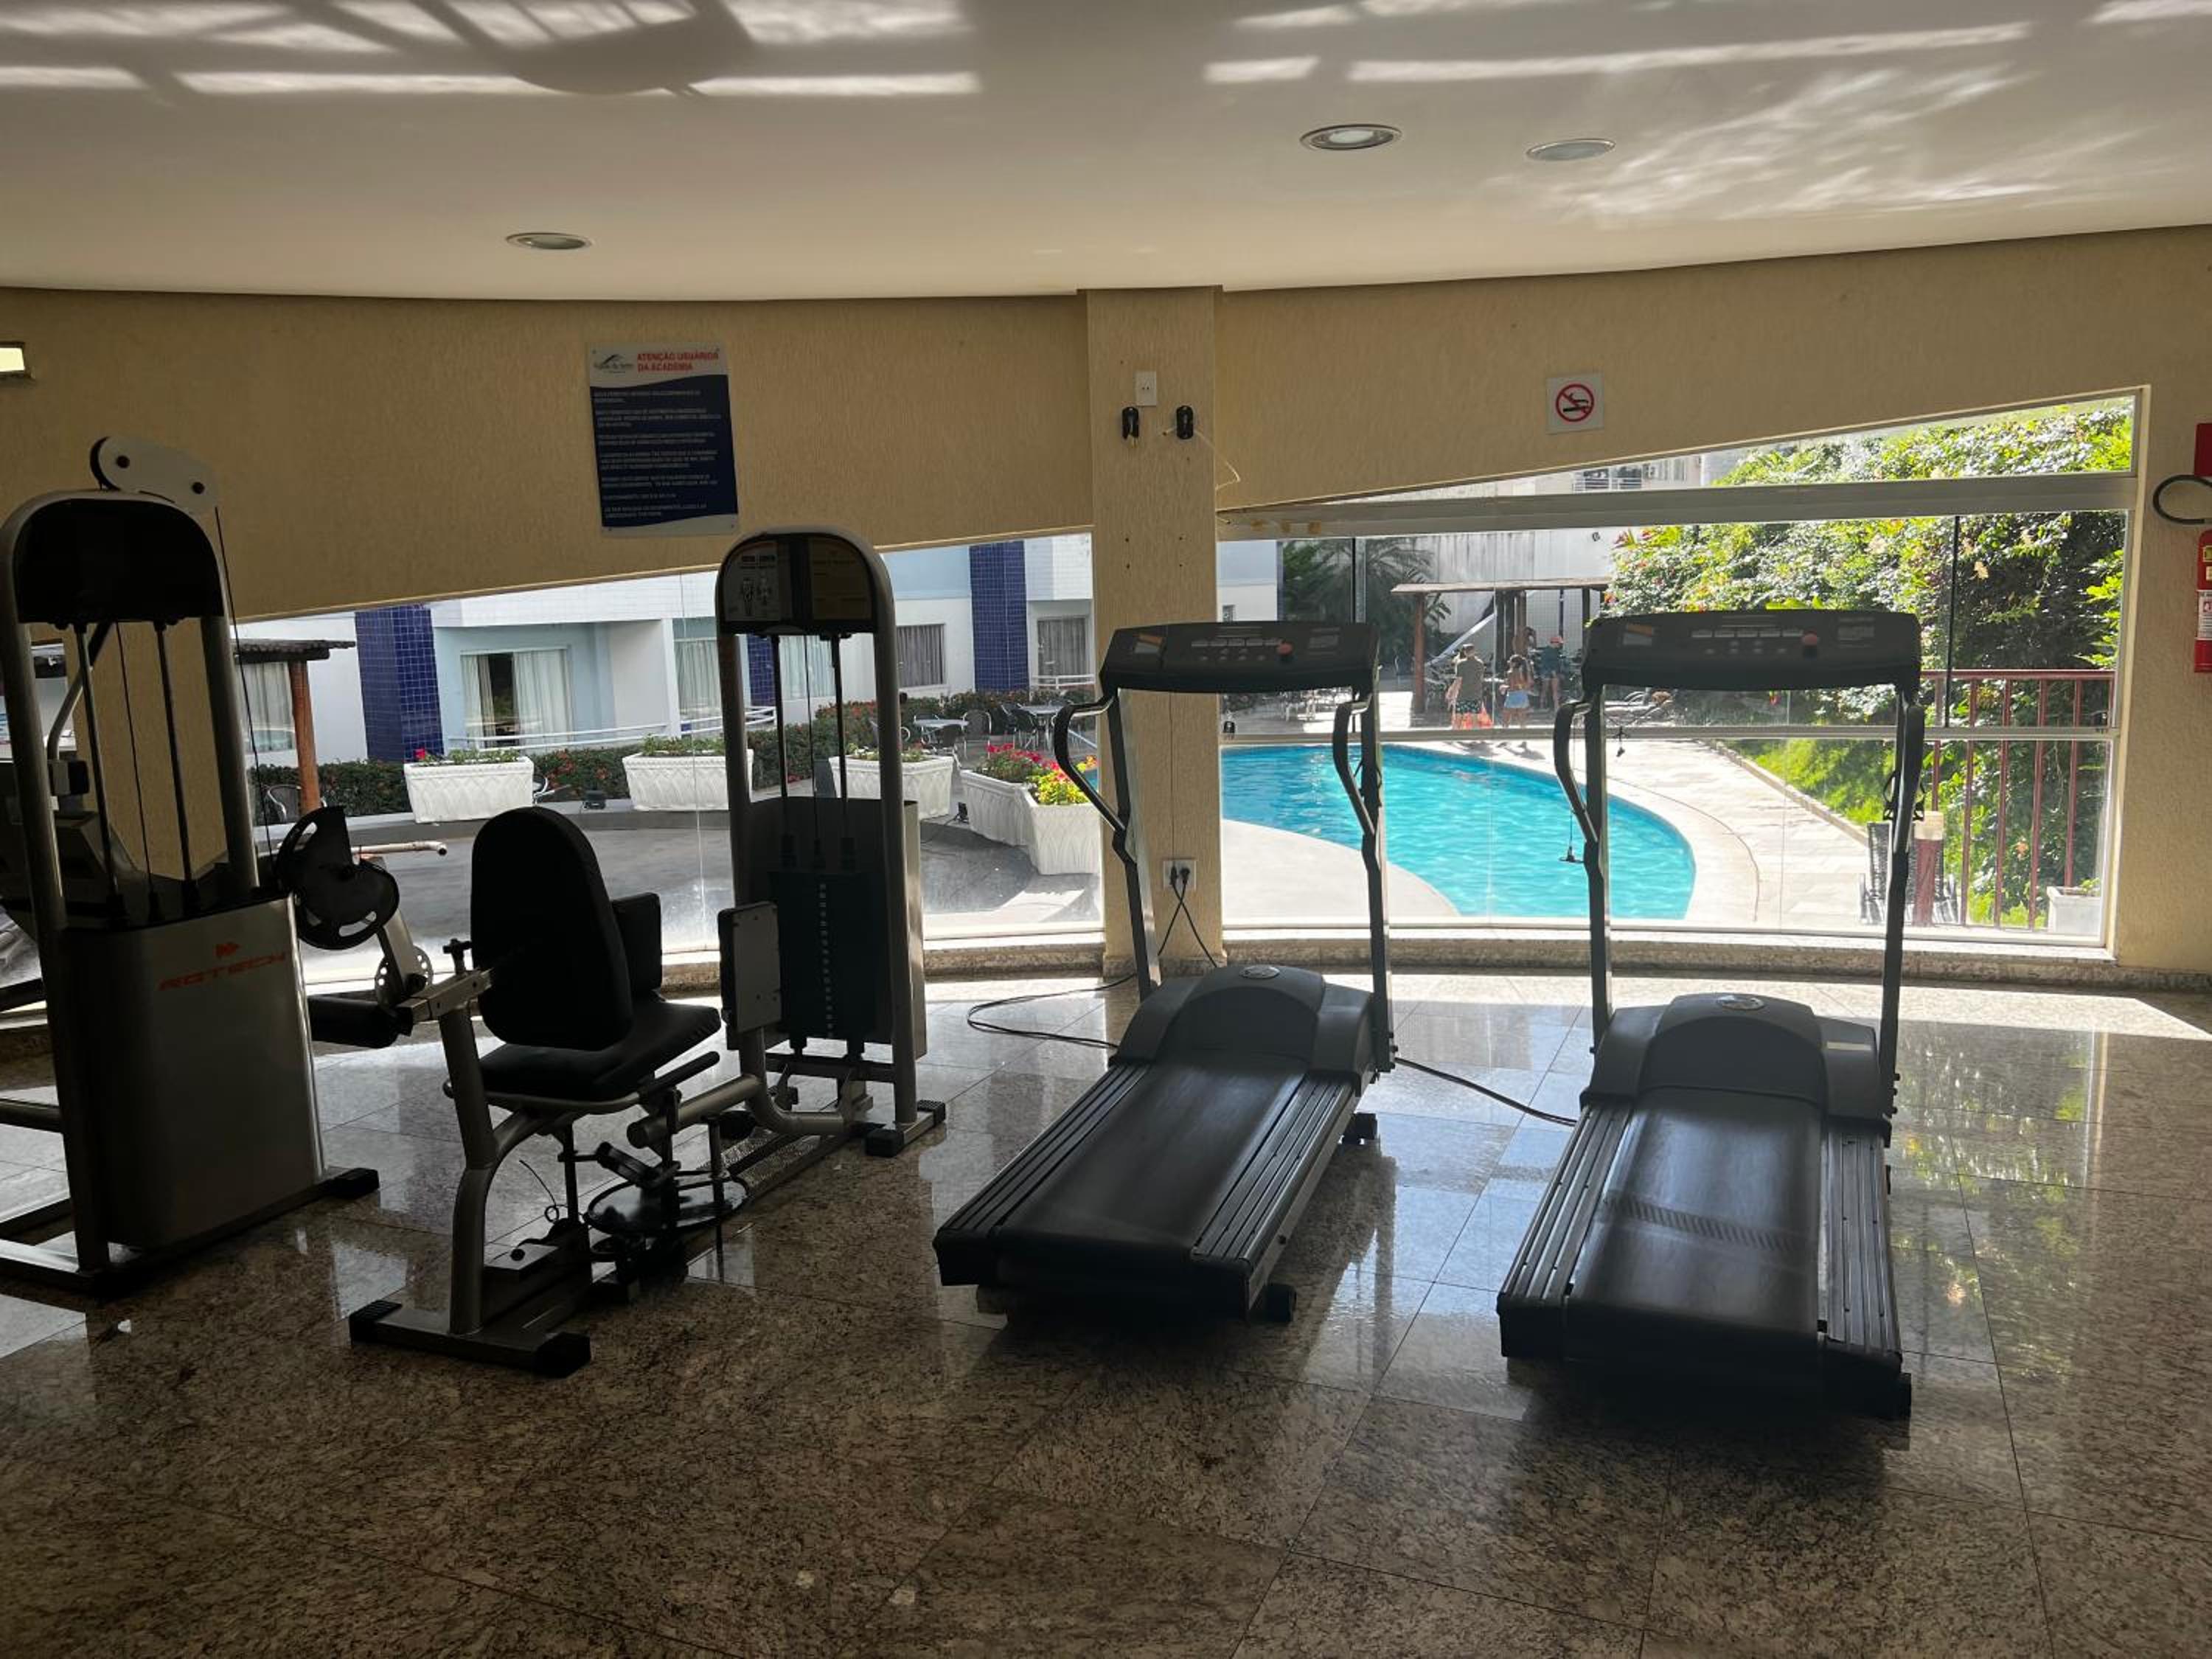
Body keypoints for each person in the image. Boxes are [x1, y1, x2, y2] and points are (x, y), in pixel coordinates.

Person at [1501, 655, 1533, 727]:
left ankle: (1504, 732)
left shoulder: (1511, 673)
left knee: (1506, 719)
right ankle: (1523, 732)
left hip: (1513, 696)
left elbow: (1512, 688)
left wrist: (1504, 687)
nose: (1509, 663)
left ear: (1514, 663)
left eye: (1510, 662)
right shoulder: (1525, 672)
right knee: (1522, 721)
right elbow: (1528, 685)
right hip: (1523, 695)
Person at [1537, 633, 1565, 709]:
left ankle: (1549, 705)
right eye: (1559, 643)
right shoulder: (1549, 651)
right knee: (1550, 689)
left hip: (1548, 672)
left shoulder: (1551, 651)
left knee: (1549, 689)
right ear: (1555, 643)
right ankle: (1552, 706)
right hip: (1550, 672)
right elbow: (1548, 663)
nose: (1560, 645)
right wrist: (1554, 672)